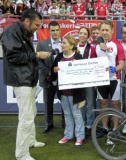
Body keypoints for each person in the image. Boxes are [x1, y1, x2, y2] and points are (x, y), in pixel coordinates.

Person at [1, 9, 50, 160]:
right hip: (21, 80)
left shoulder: (23, 31)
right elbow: (14, 57)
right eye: (36, 25)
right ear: (27, 21)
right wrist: (36, 54)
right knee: (26, 117)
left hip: (28, 78)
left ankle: (30, 141)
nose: (38, 28)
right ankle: (21, 154)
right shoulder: (11, 33)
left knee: (31, 112)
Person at [51, 35, 86, 145]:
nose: (62, 45)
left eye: (64, 43)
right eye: (62, 43)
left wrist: (78, 67)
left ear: (71, 46)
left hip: (75, 93)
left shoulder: (79, 57)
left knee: (77, 114)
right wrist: (55, 70)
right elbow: (52, 71)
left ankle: (80, 136)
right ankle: (68, 135)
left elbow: (84, 74)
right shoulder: (59, 56)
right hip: (63, 92)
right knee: (67, 114)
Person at [95, 20, 125, 137]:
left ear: (112, 31)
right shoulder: (96, 46)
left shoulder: (117, 45)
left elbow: (122, 65)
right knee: (103, 103)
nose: (105, 32)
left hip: (114, 79)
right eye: (102, 30)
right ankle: (105, 127)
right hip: (101, 80)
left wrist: (114, 69)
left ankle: (116, 128)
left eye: (107, 30)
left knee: (116, 103)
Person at [37, 21, 65, 133]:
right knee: (48, 102)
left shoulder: (66, 43)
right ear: (49, 31)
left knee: (65, 102)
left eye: (57, 30)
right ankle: (49, 123)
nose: (55, 32)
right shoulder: (42, 44)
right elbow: (38, 62)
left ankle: (65, 122)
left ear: (60, 30)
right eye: (52, 30)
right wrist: (48, 72)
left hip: (63, 79)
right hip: (48, 78)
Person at [77, 27, 97, 136]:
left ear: (88, 36)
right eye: (81, 33)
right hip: (77, 81)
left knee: (90, 104)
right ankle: (82, 124)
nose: (82, 35)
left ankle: (90, 125)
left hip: (89, 81)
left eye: (85, 34)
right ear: (78, 34)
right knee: (80, 104)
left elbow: (94, 64)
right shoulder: (73, 47)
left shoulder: (92, 49)